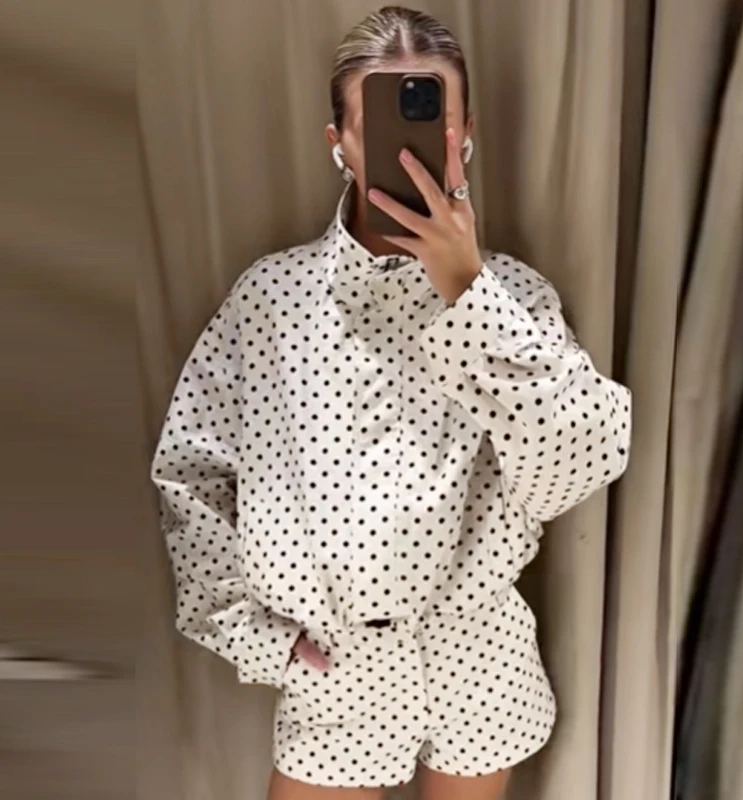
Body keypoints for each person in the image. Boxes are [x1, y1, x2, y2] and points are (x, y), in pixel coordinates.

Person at [151, 6, 632, 800]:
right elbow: (191, 474)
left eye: (432, 113)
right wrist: (260, 639)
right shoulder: (271, 299)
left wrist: (470, 294)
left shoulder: (514, 298)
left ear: (465, 134)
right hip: (335, 671)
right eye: (379, 119)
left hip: (477, 662)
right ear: (339, 141)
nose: (408, 143)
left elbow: (574, 467)